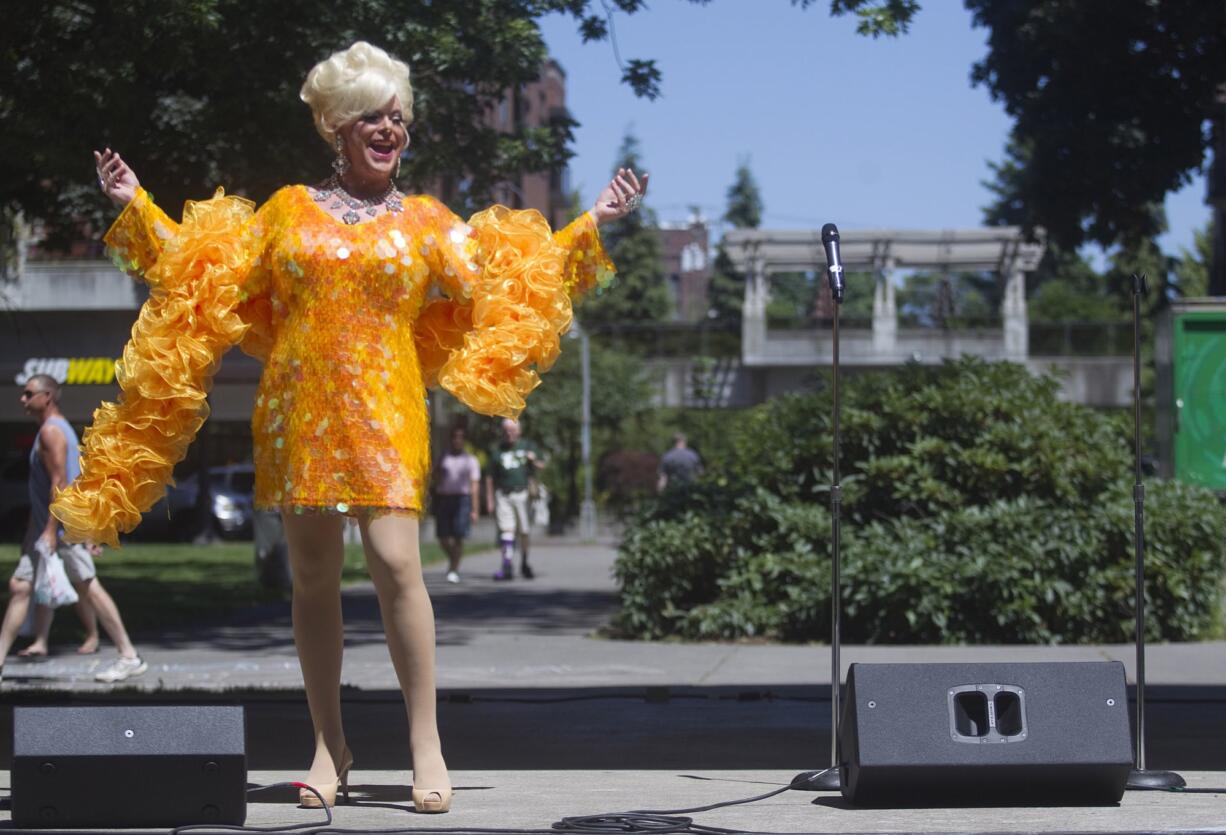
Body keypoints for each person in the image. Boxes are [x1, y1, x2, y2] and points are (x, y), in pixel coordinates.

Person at [57, 42, 646, 814]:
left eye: (398, 117)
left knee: (400, 566)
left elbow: (508, 284)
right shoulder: (287, 212)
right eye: (373, 115)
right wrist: (138, 204)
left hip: (388, 411)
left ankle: (426, 741)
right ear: (338, 125)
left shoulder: (429, 222)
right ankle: (328, 744)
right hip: (298, 410)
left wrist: (589, 223)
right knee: (312, 580)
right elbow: (207, 275)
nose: (388, 128)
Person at [0, 375, 146, 684]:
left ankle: (129, 655)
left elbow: (60, 484)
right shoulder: (51, 430)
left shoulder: (52, 433)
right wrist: (34, 529)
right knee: (20, 587)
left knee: (89, 587)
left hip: (62, 530)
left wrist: (52, 531)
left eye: (29, 394)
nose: (22, 400)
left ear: (48, 396)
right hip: (47, 529)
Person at [485, 418, 544, 580]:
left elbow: (542, 465)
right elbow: (490, 477)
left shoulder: (527, 446)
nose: (509, 433)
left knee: (524, 531)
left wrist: (533, 460)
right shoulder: (498, 451)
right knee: (507, 530)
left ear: (519, 431)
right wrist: (490, 499)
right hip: (503, 494)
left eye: (512, 429)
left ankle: (524, 562)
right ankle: (507, 564)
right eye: (506, 430)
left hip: (523, 494)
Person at [432, 427, 480, 584]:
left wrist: (475, 509)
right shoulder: (443, 458)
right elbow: (435, 476)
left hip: (462, 499)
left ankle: (453, 568)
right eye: (454, 437)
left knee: (459, 535)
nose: (457, 440)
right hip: (444, 498)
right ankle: (454, 559)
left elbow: (474, 486)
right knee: (443, 537)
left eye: (460, 437)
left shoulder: (470, 460)